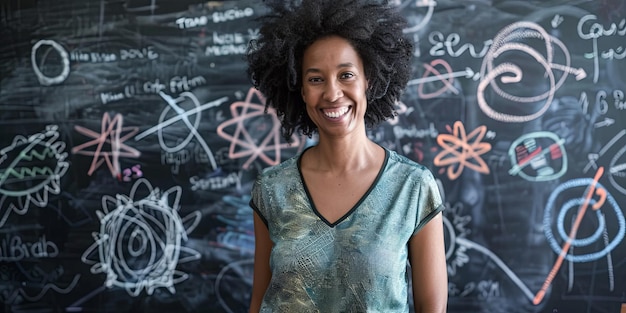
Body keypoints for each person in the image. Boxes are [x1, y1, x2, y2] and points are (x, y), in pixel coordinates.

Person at [246, 0, 447, 312]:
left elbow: (431, 307)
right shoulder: (272, 189)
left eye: (346, 75)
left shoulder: (413, 187)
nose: (332, 93)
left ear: (369, 80)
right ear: (301, 91)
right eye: (315, 79)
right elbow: (260, 301)